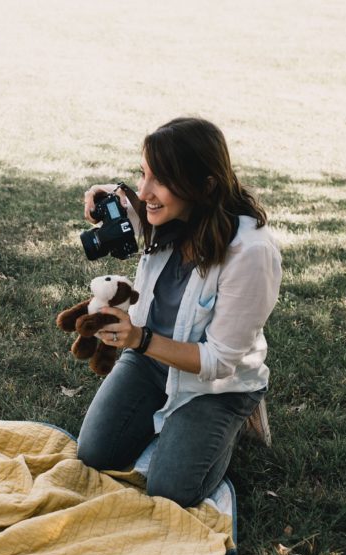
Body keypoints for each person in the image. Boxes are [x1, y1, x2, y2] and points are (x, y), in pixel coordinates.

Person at [76, 117, 282, 508]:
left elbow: (219, 361)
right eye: (143, 174)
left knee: (170, 491)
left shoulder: (251, 253)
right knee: (95, 455)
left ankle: (236, 421)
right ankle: (173, 426)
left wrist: (138, 338)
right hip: (150, 363)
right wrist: (103, 195)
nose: (146, 192)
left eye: (161, 180)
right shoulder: (167, 212)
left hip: (216, 386)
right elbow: (133, 205)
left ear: (203, 186)